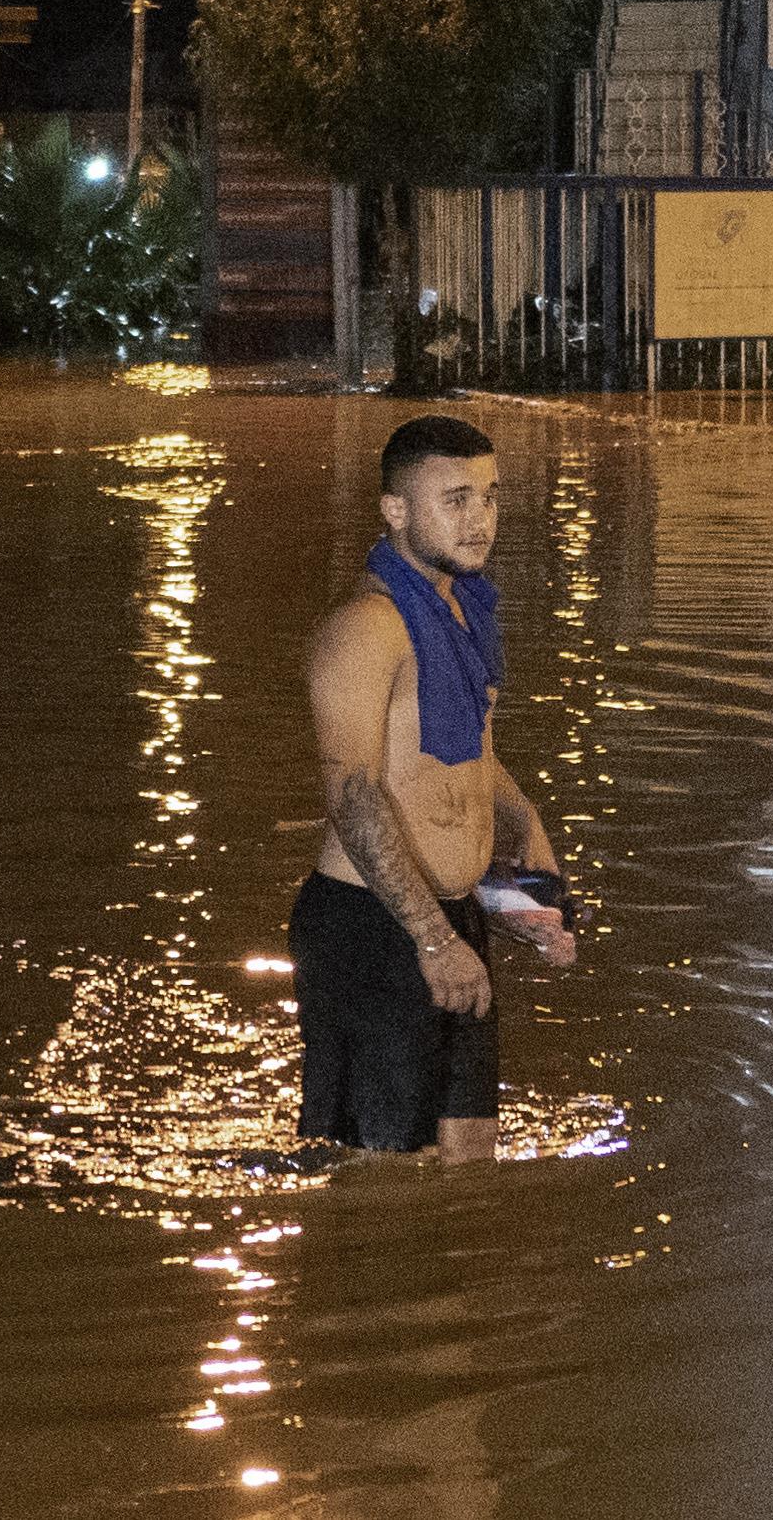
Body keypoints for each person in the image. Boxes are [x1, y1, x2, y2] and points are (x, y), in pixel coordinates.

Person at [289, 415, 579, 1160]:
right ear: (395, 510)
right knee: (378, 1178)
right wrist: (431, 938)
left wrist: (521, 830)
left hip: (454, 916)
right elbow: (354, 796)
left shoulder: (458, 608)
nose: (479, 520)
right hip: (375, 926)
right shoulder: (366, 628)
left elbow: (462, 754)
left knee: (470, 1158)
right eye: (454, 499)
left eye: (488, 496)